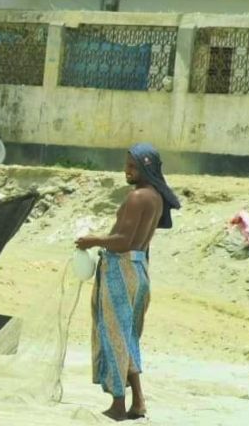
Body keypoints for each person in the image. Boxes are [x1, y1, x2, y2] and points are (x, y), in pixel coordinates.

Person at [74, 143, 180, 421]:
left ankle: (119, 404)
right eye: (126, 165)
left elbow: (123, 242)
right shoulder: (156, 197)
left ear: (146, 168)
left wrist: (92, 240)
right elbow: (139, 244)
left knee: (114, 336)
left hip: (121, 269)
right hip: (139, 269)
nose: (127, 171)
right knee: (128, 336)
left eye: (132, 166)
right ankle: (139, 402)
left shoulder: (138, 198)